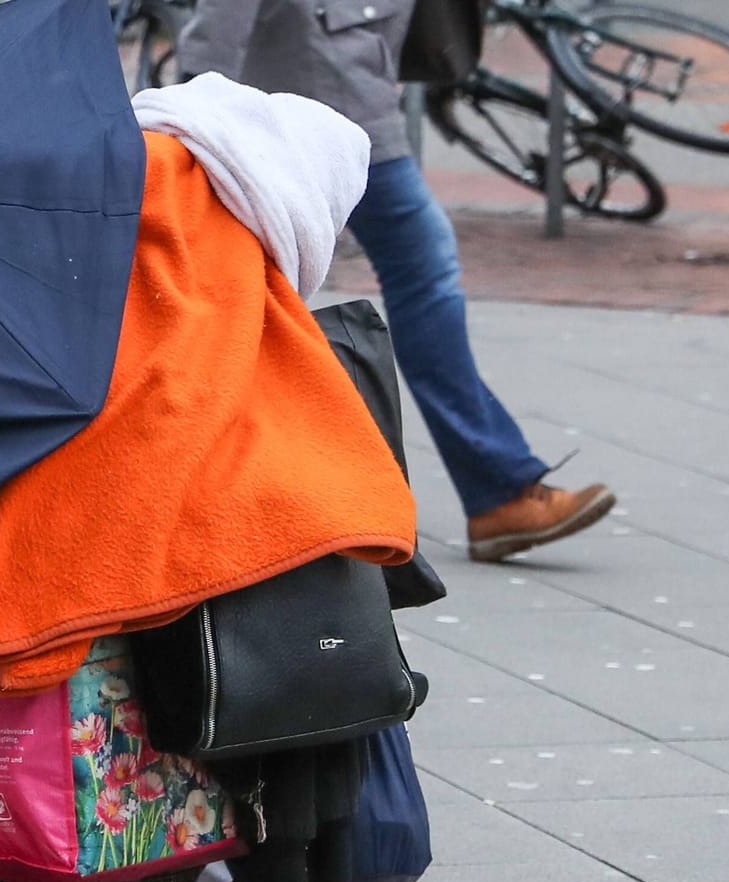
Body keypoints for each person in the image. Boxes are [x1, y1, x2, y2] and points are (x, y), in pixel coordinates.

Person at [177, 0, 616, 562]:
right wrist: (199, 88)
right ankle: (496, 488)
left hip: (343, 67)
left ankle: (223, 485)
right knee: (412, 268)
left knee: (257, 285)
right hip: (322, 78)